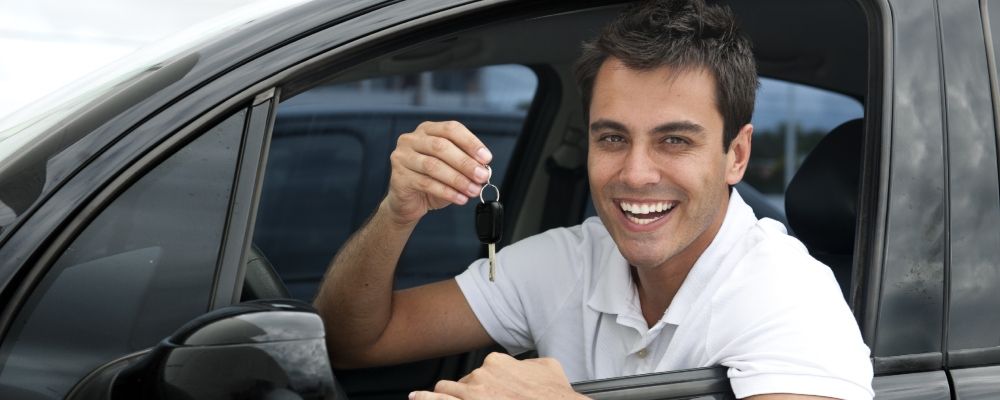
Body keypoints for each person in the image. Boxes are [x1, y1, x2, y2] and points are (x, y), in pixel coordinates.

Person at [313, 0, 875, 399]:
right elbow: (351, 342)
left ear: (737, 155)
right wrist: (397, 212)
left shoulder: (787, 294)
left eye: (674, 140)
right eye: (612, 137)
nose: (634, 173)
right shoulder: (569, 260)